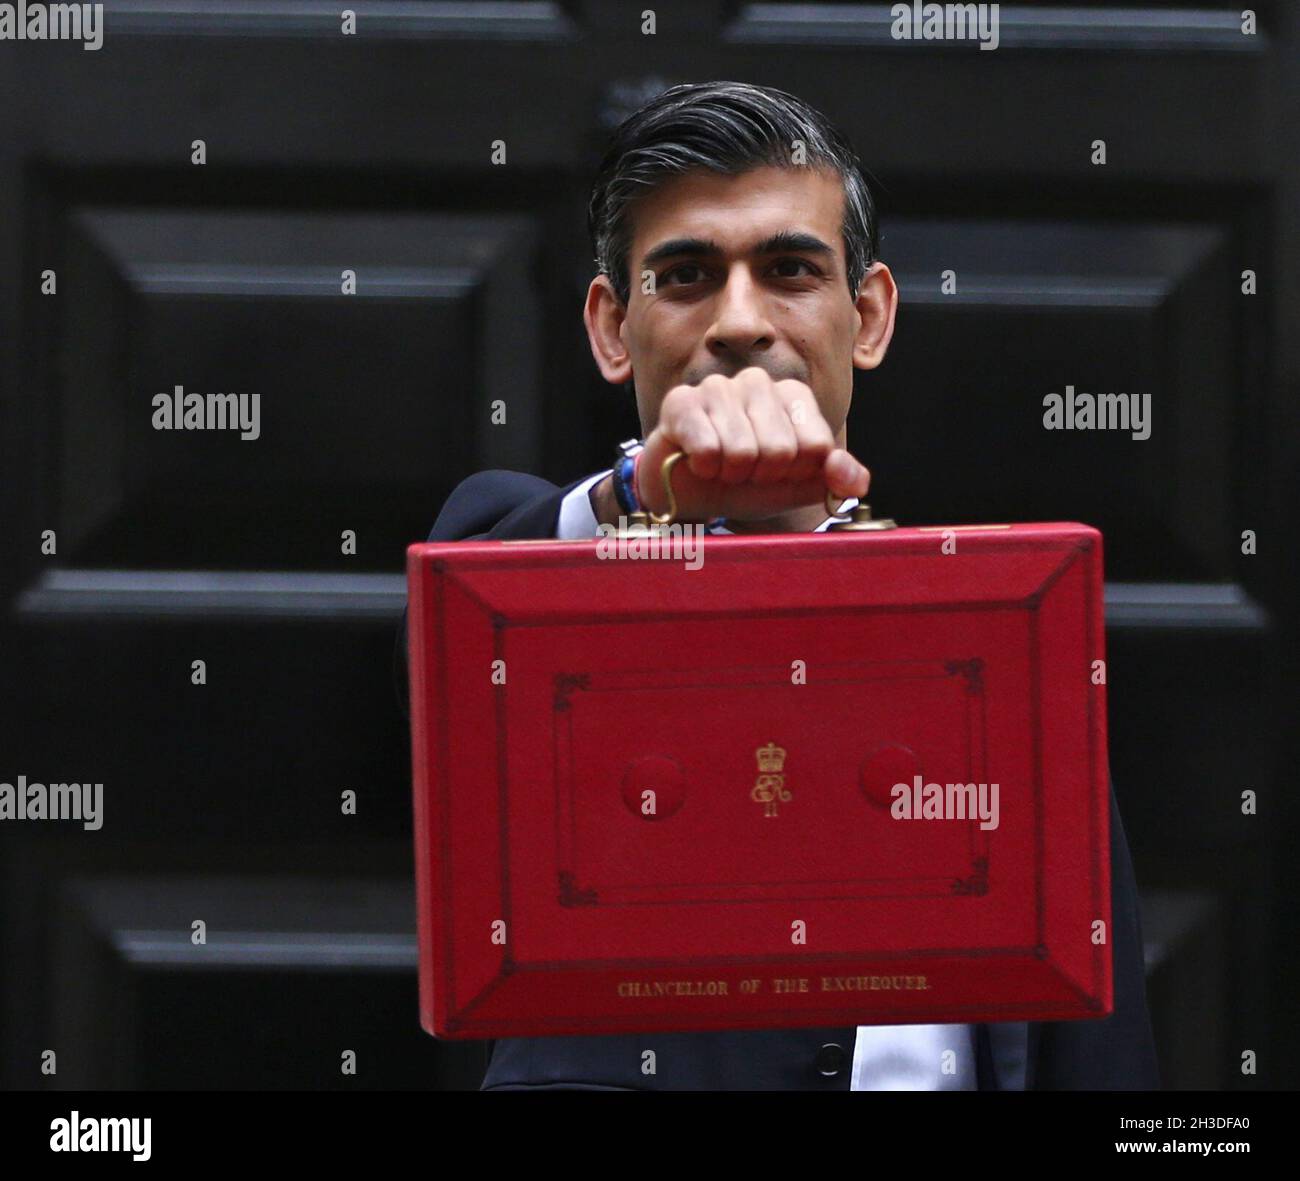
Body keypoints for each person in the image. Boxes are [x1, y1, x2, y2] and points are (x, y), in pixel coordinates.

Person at [396, 80, 1160, 1091]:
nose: (740, 321)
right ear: (611, 328)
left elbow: (1096, 1047)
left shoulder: (1003, 637)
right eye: (686, 275)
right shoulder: (539, 559)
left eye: (790, 269)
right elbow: (474, 590)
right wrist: (648, 489)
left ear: (870, 314)